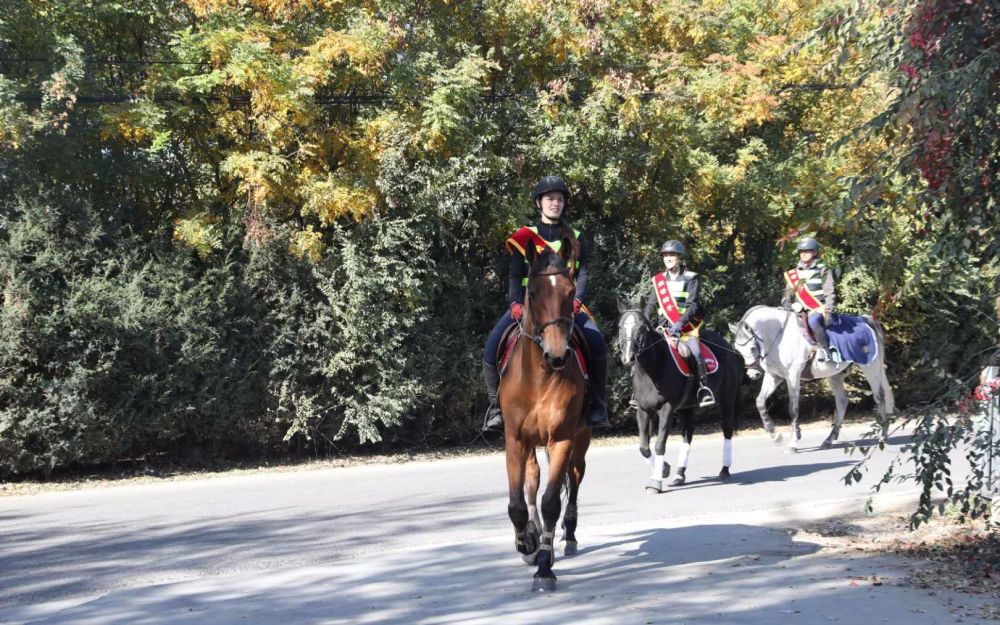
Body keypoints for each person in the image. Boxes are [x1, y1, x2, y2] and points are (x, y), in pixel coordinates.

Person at [482, 175, 609, 432]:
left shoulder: (576, 237)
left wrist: (578, 301)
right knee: (491, 345)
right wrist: (514, 303)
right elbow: (515, 275)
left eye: (560, 199)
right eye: (550, 199)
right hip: (531, 306)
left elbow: (583, 273)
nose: (556, 203)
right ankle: (495, 408)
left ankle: (597, 403)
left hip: (566, 307)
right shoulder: (524, 237)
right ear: (539, 203)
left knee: (596, 343)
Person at [644, 240, 715, 407]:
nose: (668, 258)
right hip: (663, 327)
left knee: (695, 351)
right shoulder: (658, 280)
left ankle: (703, 388)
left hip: (686, 326)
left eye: (672, 255)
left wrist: (680, 322)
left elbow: (693, 305)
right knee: (644, 350)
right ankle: (639, 392)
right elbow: (650, 304)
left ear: (679, 257)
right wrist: (644, 319)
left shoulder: (691, 278)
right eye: (666, 255)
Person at [782, 237, 837, 362]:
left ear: (814, 252)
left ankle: (825, 351)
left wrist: (828, 312)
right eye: (802, 251)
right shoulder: (793, 273)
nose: (804, 254)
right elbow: (787, 293)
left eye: (807, 251)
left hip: (818, 307)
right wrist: (786, 303)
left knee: (813, 321)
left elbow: (829, 292)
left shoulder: (823, 270)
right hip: (799, 308)